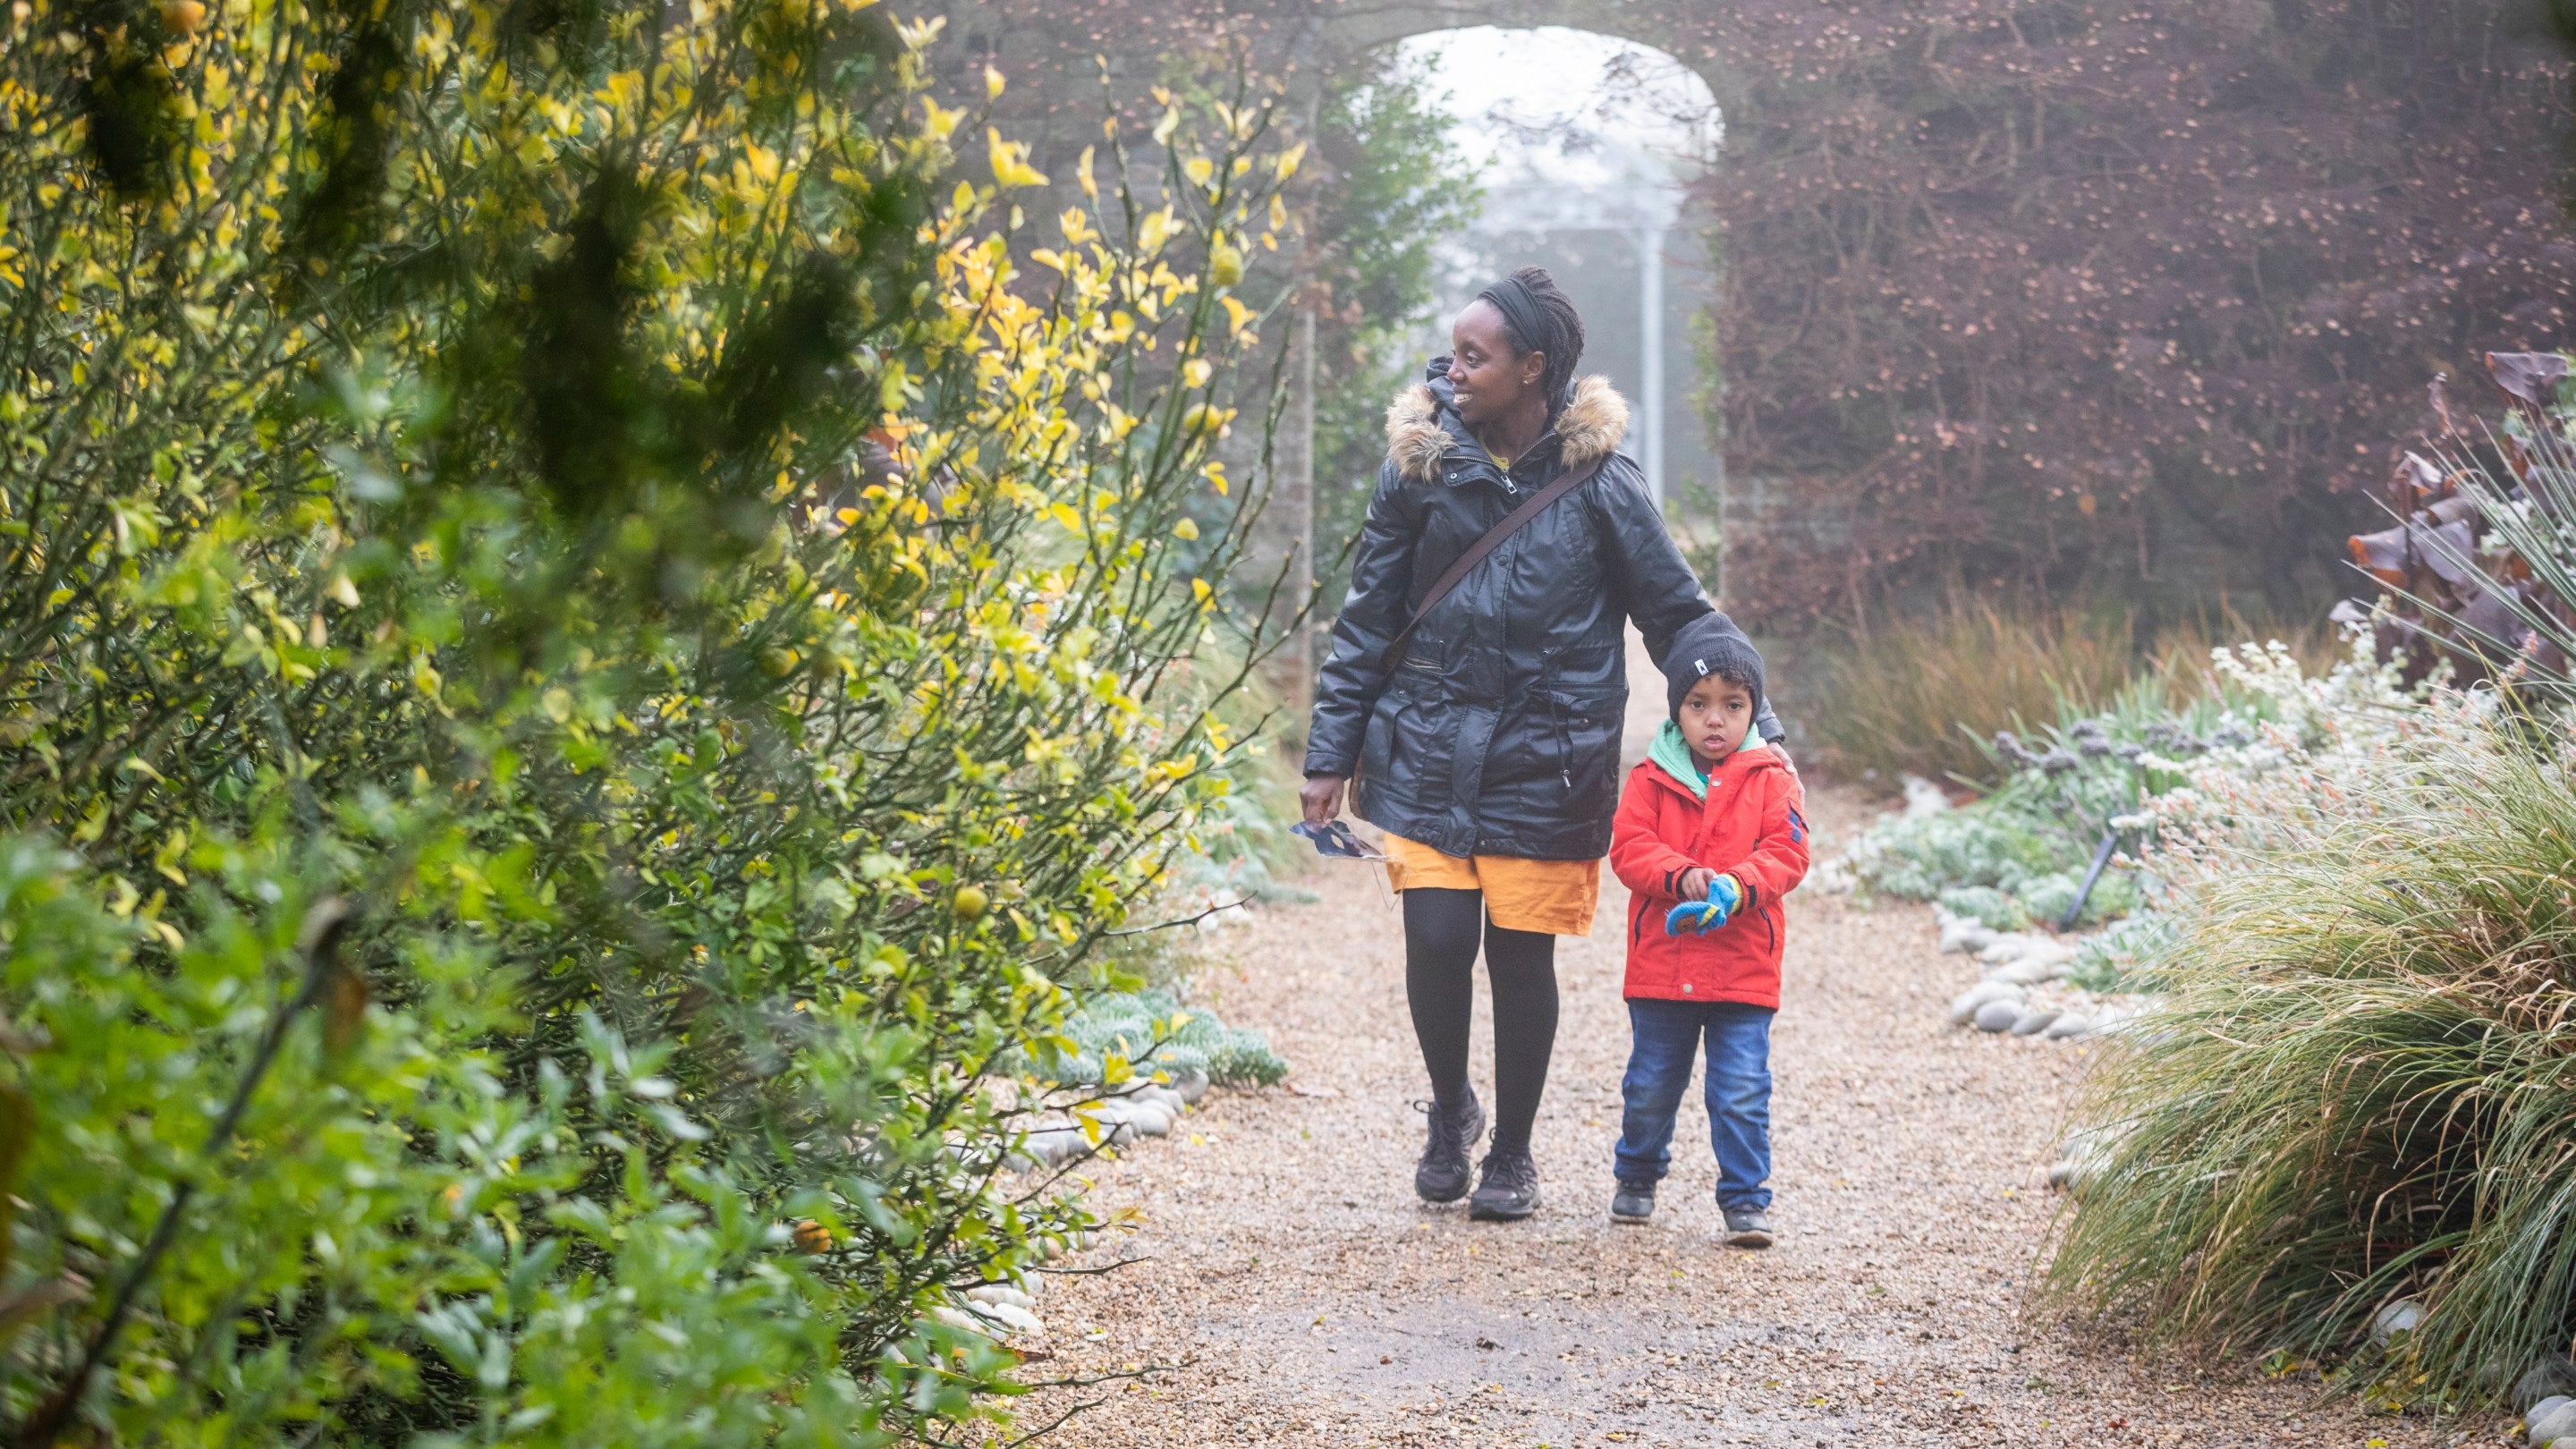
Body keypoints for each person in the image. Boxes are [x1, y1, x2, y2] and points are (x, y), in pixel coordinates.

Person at [1300, 267, 1783, 1222]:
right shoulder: (1419, 465)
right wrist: (1328, 755)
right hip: (1428, 739)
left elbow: (1675, 615)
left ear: (1532, 367)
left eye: (1476, 356)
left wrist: (1756, 727)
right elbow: (1367, 619)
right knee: (1437, 939)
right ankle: (1451, 1112)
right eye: (1455, 351)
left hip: (1549, 758)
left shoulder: (1603, 483)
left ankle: (1514, 1153)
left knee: (1521, 957)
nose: (1454, 369)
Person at [1604, 612, 1809, 1247]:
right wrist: (1680, 874)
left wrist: (1735, 885)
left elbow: (1789, 852)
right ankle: (1637, 1174)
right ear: (1676, 710)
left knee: (1741, 1091)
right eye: (1698, 704)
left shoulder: (1774, 780)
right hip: (1663, 970)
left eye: (1733, 704)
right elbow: (1628, 848)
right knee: (1649, 1086)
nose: (1715, 719)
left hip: (1742, 968)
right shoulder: (1648, 779)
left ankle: (1746, 1199)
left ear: (1754, 710)